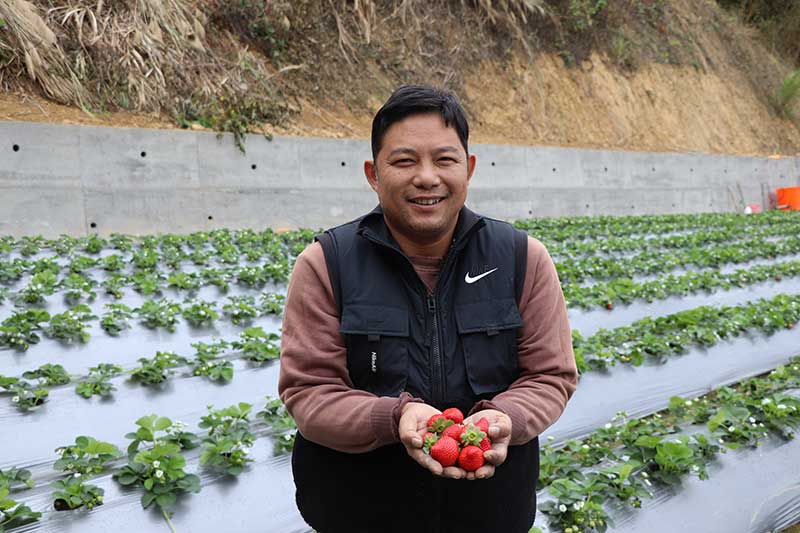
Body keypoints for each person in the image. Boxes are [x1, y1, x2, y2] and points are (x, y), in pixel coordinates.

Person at [278, 84, 578, 533]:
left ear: (469, 168)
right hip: (358, 511)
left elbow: (550, 376)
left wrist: (504, 419)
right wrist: (395, 417)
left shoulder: (521, 257)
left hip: (489, 511)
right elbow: (309, 393)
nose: (426, 177)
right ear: (373, 173)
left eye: (444, 159)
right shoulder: (326, 263)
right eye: (403, 161)